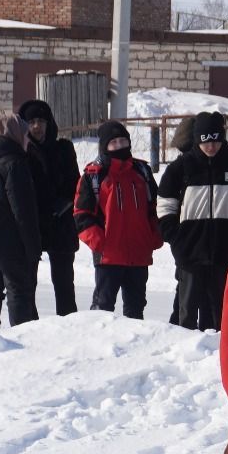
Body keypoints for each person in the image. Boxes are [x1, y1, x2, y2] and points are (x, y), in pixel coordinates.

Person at [157, 112, 228, 331]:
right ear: (197, 140)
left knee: (223, 316)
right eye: (206, 141)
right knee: (187, 316)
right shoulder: (180, 168)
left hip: (226, 253)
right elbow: (165, 205)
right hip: (190, 253)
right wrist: (176, 237)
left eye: (216, 140)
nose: (211, 146)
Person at [76, 121, 162, 319]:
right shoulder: (93, 175)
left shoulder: (142, 171)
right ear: (105, 146)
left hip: (139, 252)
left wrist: (155, 235)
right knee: (102, 309)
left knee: (136, 309)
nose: (120, 146)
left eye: (123, 140)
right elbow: (81, 214)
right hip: (108, 256)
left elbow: (155, 206)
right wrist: (101, 243)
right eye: (114, 142)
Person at [0, 114, 42, 328]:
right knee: (18, 287)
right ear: (14, 134)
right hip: (10, 241)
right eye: (25, 134)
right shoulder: (14, 163)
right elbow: (23, 210)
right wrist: (33, 246)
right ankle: (21, 335)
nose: (28, 139)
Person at [17, 99, 80, 316]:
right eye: (32, 121)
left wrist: (61, 206)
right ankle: (29, 327)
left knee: (64, 284)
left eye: (41, 121)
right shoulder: (19, 151)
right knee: (26, 284)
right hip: (31, 224)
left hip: (60, 223)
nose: (37, 126)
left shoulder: (63, 148)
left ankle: (67, 324)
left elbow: (75, 183)